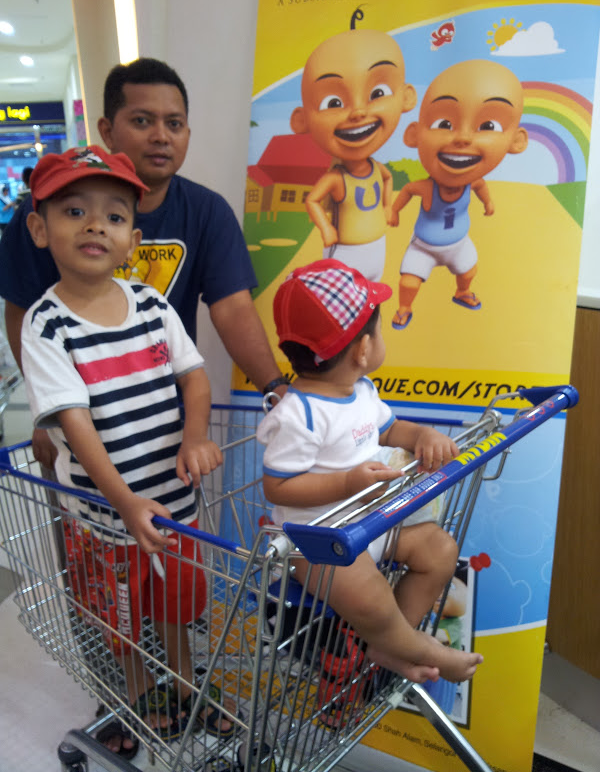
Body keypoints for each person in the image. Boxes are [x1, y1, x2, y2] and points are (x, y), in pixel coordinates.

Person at [21, 145, 233, 756]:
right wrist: (125, 501)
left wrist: (196, 435)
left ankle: (186, 685)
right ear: (40, 228)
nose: (95, 225)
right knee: (121, 620)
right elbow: (75, 423)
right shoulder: (46, 325)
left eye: (114, 216)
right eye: (74, 211)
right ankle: (142, 694)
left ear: (133, 240)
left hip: (174, 505)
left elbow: (194, 378)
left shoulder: (152, 305)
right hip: (104, 518)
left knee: (174, 606)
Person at [0, 58, 288, 467]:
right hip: (78, 421)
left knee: (168, 505)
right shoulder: (49, 210)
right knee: (85, 505)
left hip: (163, 418)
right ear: (106, 130)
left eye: (174, 124)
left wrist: (275, 389)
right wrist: (44, 407)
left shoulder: (207, 212)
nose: (161, 136)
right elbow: (21, 309)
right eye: (142, 121)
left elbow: (233, 308)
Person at [257, 258, 484, 685]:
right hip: (318, 545)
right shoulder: (298, 414)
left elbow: (390, 429)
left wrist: (422, 435)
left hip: (372, 526)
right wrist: (347, 482)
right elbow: (278, 486)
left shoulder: (361, 392)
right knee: (371, 598)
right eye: (378, 331)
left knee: (440, 550)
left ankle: (390, 644)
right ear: (363, 349)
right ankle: (418, 647)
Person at [389, 60, 528, 329]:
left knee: (469, 271)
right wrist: (394, 210)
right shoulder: (426, 187)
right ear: (414, 135)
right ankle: (404, 308)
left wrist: (488, 201)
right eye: (444, 123)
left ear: (516, 141)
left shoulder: (472, 182)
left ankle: (462, 292)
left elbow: (481, 186)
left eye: (487, 126)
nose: (463, 138)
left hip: (459, 244)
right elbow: (407, 190)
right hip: (424, 247)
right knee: (409, 281)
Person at [290, 25, 416, 281]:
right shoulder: (336, 178)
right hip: (345, 253)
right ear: (302, 120)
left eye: (377, 93)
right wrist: (326, 228)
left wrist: (387, 207)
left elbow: (387, 178)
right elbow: (312, 201)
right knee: (343, 304)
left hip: (377, 248)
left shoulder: (377, 168)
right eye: (333, 103)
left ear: (406, 98)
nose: (358, 112)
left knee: (373, 298)